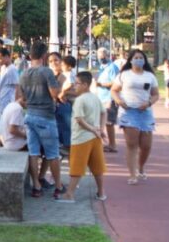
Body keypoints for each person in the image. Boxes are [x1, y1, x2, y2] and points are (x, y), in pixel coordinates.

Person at [18, 42, 62, 198]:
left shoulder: (23, 74)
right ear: (44, 56)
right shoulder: (47, 72)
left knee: (34, 152)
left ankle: (36, 186)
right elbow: (54, 94)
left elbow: (21, 99)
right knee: (52, 154)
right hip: (46, 117)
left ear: (30, 55)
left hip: (30, 116)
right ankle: (58, 186)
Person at [111, 49, 159, 185]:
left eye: (141, 57)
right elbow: (114, 90)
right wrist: (119, 101)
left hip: (145, 112)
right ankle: (132, 174)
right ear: (131, 60)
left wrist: (149, 102)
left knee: (146, 145)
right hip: (129, 111)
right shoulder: (124, 75)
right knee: (132, 144)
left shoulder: (150, 76)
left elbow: (155, 94)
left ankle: (141, 166)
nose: (139, 60)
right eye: (136, 57)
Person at [59, 71, 107, 203]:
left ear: (85, 85)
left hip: (81, 138)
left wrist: (94, 129)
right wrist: (100, 129)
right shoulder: (94, 97)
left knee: (76, 167)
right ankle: (101, 193)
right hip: (94, 138)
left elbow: (79, 119)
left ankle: (70, 194)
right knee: (97, 167)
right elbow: (104, 113)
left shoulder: (80, 100)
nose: (75, 86)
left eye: (77, 84)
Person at [94, 48, 121, 153]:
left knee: (109, 122)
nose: (101, 57)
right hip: (100, 98)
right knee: (101, 122)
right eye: (99, 55)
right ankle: (104, 143)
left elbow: (115, 83)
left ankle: (113, 145)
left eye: (103, 55)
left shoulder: (112, 67)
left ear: (107, 55)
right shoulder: (101, 67)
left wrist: (100, 84)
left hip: (109, 98)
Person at [48, 52, 72, 155]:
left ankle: (68, 147)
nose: (53, 63)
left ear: (61, 61)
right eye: (50, 61)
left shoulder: (66, 75)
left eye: (56, 60)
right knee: (55, 126)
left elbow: (69, 88)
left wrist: (63, 93)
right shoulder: (48, 75)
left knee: (66, 126)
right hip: (52, 105)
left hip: (64, 105)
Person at [0, 86, 28, 152]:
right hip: (16, 144)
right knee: (43, 144)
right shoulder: (17, 109)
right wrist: (26, 135)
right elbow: (12, 130)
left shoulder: (11, 105)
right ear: (24, 100)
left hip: (9, 142)